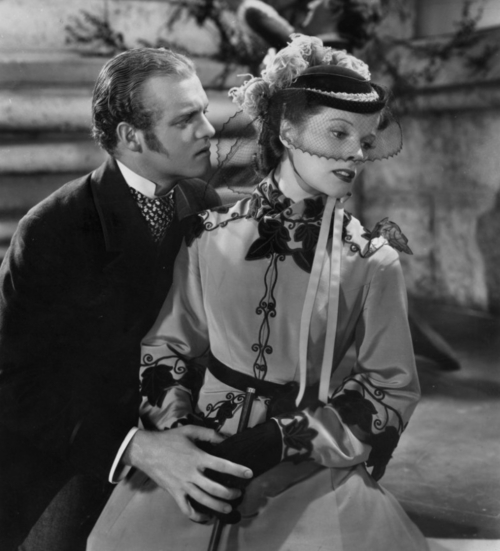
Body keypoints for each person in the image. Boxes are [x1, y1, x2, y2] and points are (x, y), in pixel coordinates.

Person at [88, 35, 429, 551]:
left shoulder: (371, 260)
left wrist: (281, 439)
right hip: (198, 449)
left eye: (365, 141)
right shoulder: (206, 234)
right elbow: (167, 347)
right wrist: (179, 433)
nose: (356, 154)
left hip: (307, 459)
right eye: (338, 133)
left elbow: (391, 388)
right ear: (287, 129)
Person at [0, 47, 253, 551]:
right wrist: (138, 447)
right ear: (131, 136)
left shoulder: (198, 199)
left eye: (204, 111)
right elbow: (16, 384)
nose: (208, 129)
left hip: (175, 420)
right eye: (186, 119)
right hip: (72, 446)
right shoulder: (53, 228)